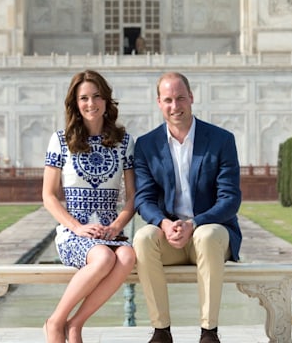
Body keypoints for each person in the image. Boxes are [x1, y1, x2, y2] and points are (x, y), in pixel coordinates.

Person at [133, 72, 242, 343]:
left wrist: (194, 223)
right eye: (168, 100)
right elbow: (143, 199)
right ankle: (161, 331)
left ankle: (208, 332)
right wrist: (164, 223)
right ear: (159, 102)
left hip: (212, 235)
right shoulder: (147, 145)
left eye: (180, 98)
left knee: (205, 235)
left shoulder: (220, 140)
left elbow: (230, 199)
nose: (175, 106)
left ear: (191, 97)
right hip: (171, 237)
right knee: (143, 238)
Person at [42, 70, 136, 343]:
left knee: (128, 257)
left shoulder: (124, 143)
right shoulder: (60, 140)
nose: (90, 103)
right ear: (75, 103)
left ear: (107, 101)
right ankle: (56, 321)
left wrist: (117, 226)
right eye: (83, 98)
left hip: (109, 233)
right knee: (105, 258)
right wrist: (78, 228)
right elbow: (48, 196)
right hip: (74, 233)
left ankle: (75, 324)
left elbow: (132, 197)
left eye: (96, 96)